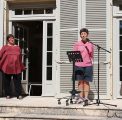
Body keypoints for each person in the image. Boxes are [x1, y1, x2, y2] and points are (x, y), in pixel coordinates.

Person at [0, 34, 25, 99]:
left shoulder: (17, 47)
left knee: (17, 81)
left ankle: (19, 94)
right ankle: (8, 94)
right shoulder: (4, 47)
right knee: (6, 81)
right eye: (11, 38)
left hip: (16, 67)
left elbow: (20, 58)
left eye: (13, 38)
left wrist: (21, 66)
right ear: (8, 39)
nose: (12, 39)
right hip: (7, 67)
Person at [73, 28, 94, 104]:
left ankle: (86, 98)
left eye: (84, 33)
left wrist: (91, 63)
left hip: (88, 65)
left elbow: (92, 55)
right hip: (79, 65)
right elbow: (74, 55)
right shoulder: (77, 44)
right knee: (80, 82)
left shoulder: (90, 44)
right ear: (80, 35)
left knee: (86, 82)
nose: (83, 35)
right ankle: (81, 98)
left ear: (87, 34)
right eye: (81, 34)